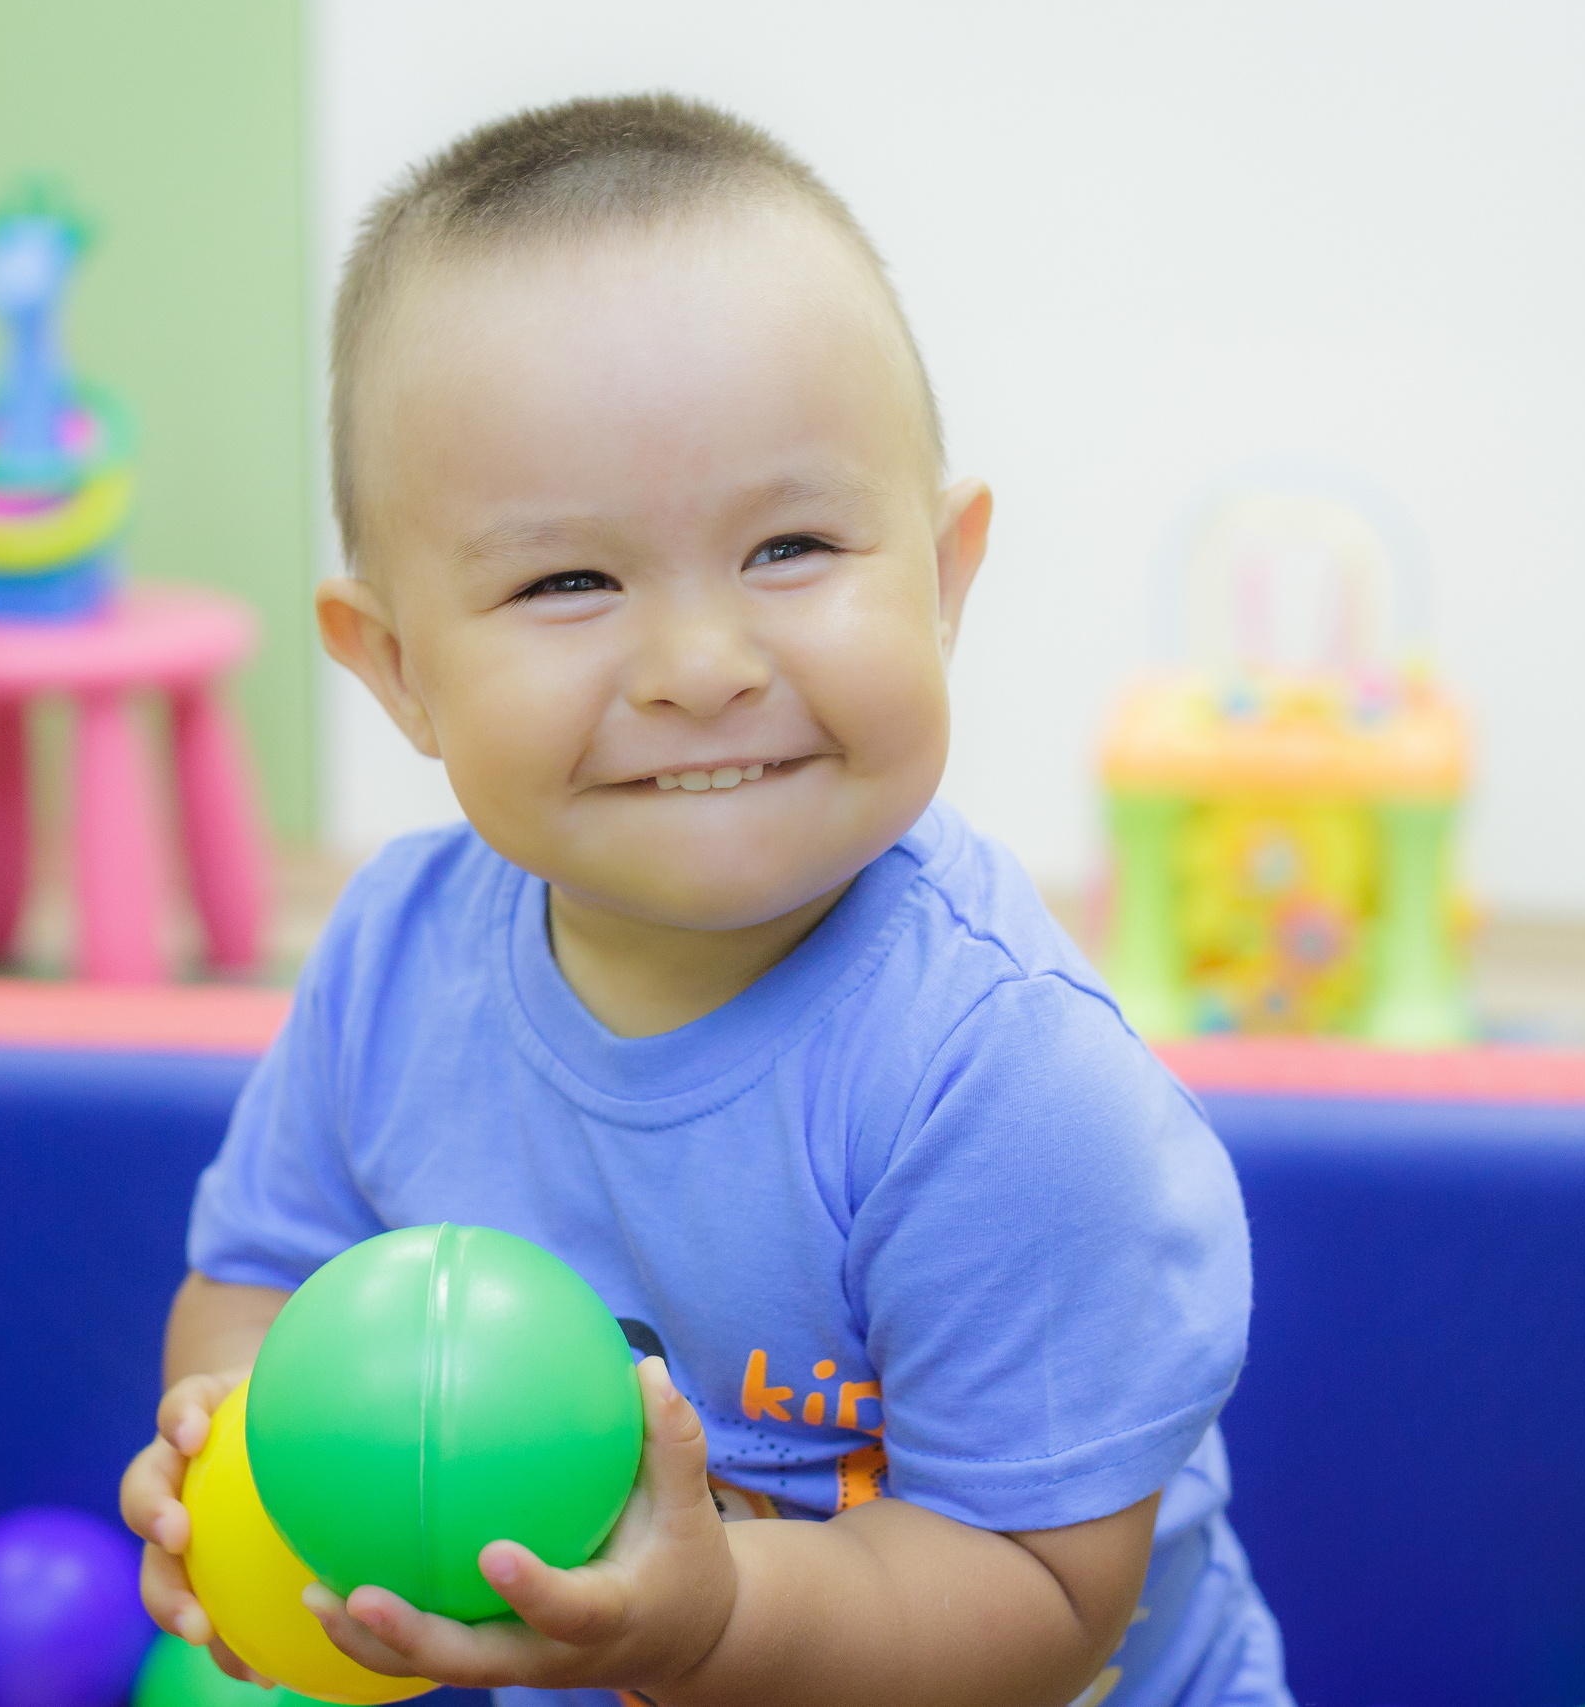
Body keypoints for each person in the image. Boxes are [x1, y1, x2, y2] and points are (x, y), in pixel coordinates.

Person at [119, 92, 1288, 1707]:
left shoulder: (1002, 1082)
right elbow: (268, 1271)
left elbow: (1039, 1596)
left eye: (794, 546)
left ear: (944, 581)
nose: (701, 667)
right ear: (396, 668)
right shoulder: (395, 959)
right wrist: (232, 1444)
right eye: (569, 582)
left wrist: (716, 1620)